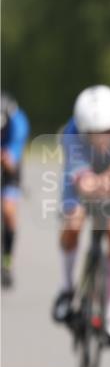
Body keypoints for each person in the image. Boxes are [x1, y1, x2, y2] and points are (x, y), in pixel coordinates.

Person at [51, 85, 110, 346]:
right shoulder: (70, 133)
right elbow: (81, 183)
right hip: (84, 175)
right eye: (93, 133)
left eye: (107, 132)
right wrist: (90, 184)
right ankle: (66, 289)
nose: (101, 138)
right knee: (73, 223)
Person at [1, 93, 30, 288]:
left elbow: (11, 161)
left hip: (8, 168)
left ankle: (7, 261)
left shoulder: (18, 123)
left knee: (9, 212)